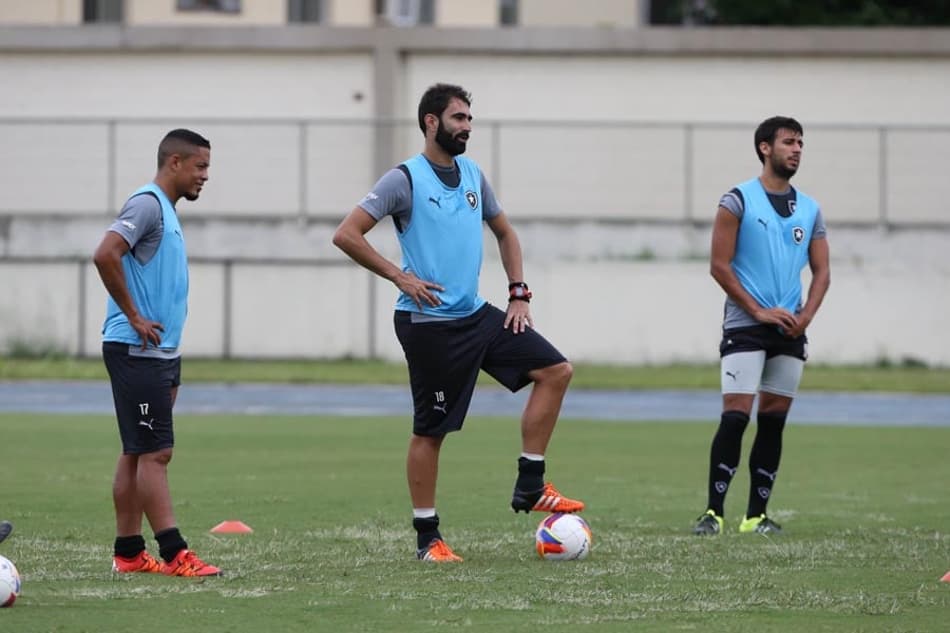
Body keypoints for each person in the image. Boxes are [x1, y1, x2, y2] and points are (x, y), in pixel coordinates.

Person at [332, 83, 584, 562]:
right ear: (431, 122)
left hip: (476, 315)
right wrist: (399, 276)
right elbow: (347, 234)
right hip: (429, 327)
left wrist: (517, 293)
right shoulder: (403, 179)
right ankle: (428, 539)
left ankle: (531, 484)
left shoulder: (472, 174)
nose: (467, 127)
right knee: (431, 432)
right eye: (458, 118)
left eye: (470, 118)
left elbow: (506, 233)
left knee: (556, 371)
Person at [693, 116, 831, 536]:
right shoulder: (737, 201)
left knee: (773, 421)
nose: (797, 150)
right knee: (736, 416)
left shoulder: (810, 208)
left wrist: (804, 316)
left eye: (801, 143)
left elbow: (822, 273)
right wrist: (758, 311)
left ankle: (755, 516)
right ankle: (714, 512)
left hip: (789, 330)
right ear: (764, 148)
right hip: (746, 325)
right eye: (789, 142)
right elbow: (719, 266)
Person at [93, 129, 221, 576]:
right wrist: (132, 315)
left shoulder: (166, 210)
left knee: (137, 450)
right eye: (200, 166)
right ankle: (174, 553)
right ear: (175, 163)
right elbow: (105, 253)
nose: (206, 176)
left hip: (159, 351)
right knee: (156, 453)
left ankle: (129, 554)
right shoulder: (147, 204)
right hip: (136, 348)